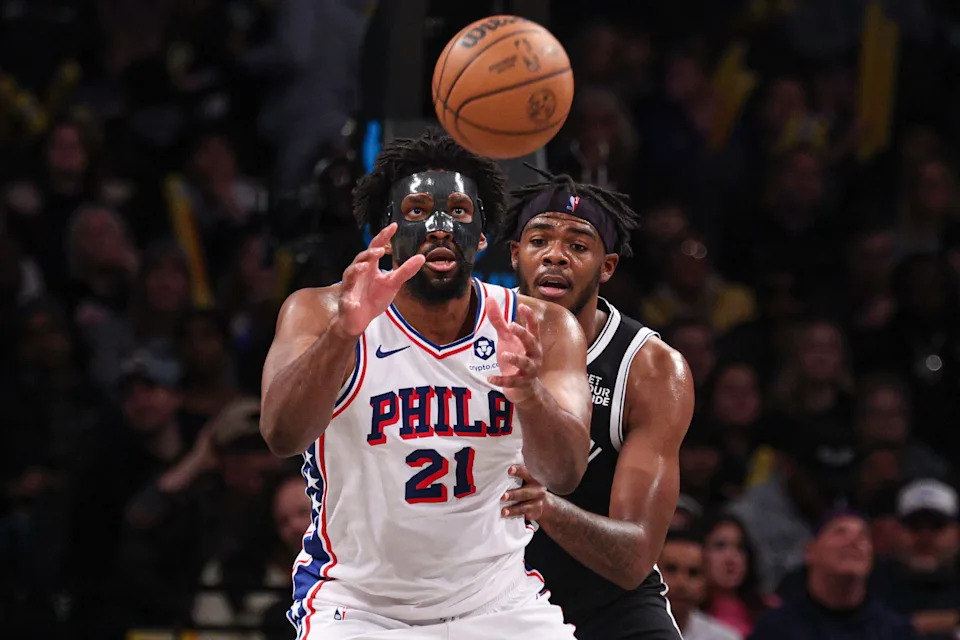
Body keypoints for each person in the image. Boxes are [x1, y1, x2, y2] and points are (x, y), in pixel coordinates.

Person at [259, 130, 592, 639]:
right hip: (358, 605)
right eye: (416, 210)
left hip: (496, 601)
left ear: (481, 235)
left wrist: (529, 393)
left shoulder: (540, 327)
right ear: (387, 232)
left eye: (459, 211)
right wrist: (342, 335)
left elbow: (565, 473)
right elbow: (282, 435)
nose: (439, 226)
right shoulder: (321, 311)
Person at [504, 171, 695, 638]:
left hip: (606, 603)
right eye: (540, 240)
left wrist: (546, 506)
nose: (555, 255)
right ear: (515, 254)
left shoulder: (651, 370)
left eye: (577, 245)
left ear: (606, 267)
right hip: (490, 596)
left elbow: (634, 558)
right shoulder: (472, 331)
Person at [749, 510, 917, 640]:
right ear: (810, 551)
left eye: (863, 536)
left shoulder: (895, 631)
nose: (854, 541)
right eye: (840, 532)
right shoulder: (777, 629)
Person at [658, 529, 742, 640]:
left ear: (705, 581)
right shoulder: (630, 631)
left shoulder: (725, 638)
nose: (681, 583)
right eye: (671, 569)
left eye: (693, 573)